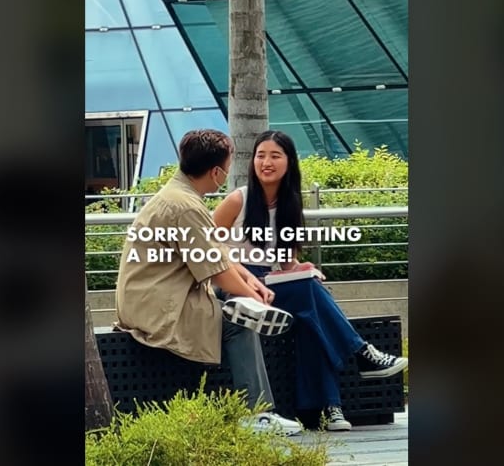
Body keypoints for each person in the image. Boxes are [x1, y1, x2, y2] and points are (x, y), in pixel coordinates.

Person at [213, 130, 408, 432]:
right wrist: (246, 274)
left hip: (272, 284)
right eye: (260, 155)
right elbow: (209, 248)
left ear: (289, 162)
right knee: (310, 295)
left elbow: (285, 259)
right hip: (237, 286)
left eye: (275, 156)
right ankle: (357, 362)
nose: (266, 162)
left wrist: (298, 268)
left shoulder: (290, 202)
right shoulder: (237, 200)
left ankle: (328, 409)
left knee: (310, 312)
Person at [115, 129, 301, 435]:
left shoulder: (178, 196)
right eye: (226, 169)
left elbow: (219, 255)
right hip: (159, 308)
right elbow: (217, 272)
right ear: (216, 172)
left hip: (153, 298)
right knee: (240, 319)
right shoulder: (186, 207)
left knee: (237, 303)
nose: (226, 175)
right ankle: (257, 414)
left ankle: (256, 410)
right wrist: (255, 299)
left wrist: (251, 283)